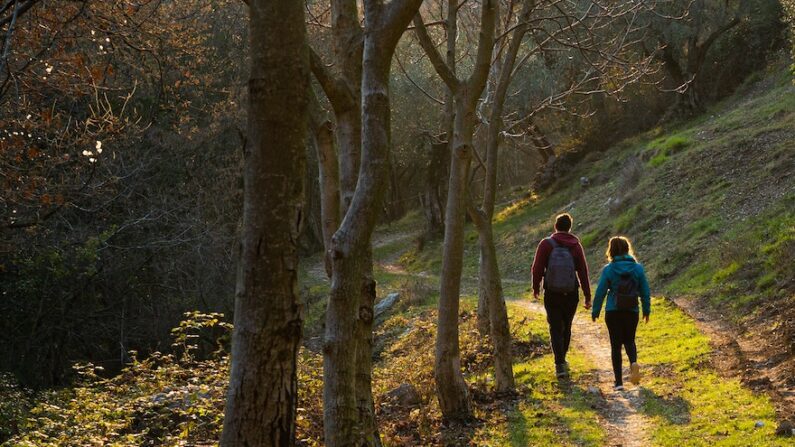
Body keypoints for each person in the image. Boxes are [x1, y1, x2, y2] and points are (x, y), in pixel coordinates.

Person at [531, 213, 592, 378]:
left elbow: (537, 268)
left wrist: (536, 287)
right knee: (567, 326)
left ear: (555, 226)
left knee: (555, 327)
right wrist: (587, 295)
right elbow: (583, 272)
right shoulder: (575, 245)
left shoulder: (546, 244)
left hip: (552, 293)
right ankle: (562, 358)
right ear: (569, 227)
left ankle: (559, 364)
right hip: (571, 293)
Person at [591, 236, 651, 391]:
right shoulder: (638, 268)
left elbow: (600, 292)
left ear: (611, 251)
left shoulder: (609, 269)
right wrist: (646, 310)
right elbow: (645, 290)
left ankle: (618, 383)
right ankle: (633, 363)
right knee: (630, 340)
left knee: (615, 345)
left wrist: (595, 311)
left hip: (613, 311)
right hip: (632, 311)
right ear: (627, 249)